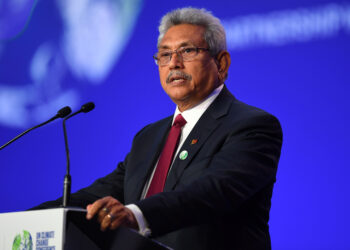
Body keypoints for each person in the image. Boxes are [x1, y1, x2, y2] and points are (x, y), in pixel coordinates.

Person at [34, 7, 283, 250]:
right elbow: (98, 195)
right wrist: (24, 219)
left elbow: (211, 192)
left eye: (187, 51)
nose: (174, 63)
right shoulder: (149, 136)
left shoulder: (252, 125)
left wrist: (137, 214)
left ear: (221, 63)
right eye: (165, 54)